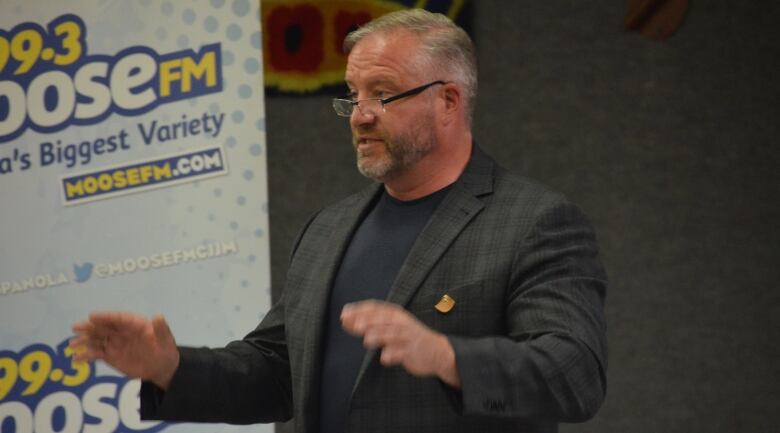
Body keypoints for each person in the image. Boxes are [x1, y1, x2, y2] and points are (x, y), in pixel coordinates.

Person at [71, 9, 607, 433]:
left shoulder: (534, 222)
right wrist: (169, 367)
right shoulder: (329, 229)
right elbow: (277, 372)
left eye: (382, 94)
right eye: (353, 96)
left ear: (448, 101)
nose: (360, 114)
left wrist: (445, 356)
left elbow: (573, 374)